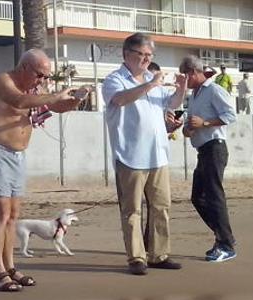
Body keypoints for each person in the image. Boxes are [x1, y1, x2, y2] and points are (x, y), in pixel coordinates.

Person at [0, 49, 85, 291]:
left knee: (13, 215)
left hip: (16, 155)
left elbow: (57, 106)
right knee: (1, 214)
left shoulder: (35, 90)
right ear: (24, 67)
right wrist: (54, 96)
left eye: (46, 77)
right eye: (40, 75)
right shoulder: (2, 81)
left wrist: (75, 99)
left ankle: (10, 267)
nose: (42, 81)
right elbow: (19, 102)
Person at [102, 33, 187, 275]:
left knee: (161, 206)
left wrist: (182, 88)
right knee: (132, 210)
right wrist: (150, 84)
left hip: (158, 154)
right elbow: (119, 100)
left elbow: (171, 104)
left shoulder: (152, 78)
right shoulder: (114, 80)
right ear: (126, 54)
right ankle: (136, 258)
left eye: (149, 56)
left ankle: (159, 255)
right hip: (129, 155)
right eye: (141, 55)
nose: (146, 60)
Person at [179, 55, 238, 262]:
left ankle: (226, 243)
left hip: (215, 148)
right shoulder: (195, 95)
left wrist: (204, 123)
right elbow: (193, 123)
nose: (184, 82)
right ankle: (225, 236)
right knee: (198, 197)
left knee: (214, 195)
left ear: (193, 72)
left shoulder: (213, 90)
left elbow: (231, 115)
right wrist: (188, 129)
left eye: (185, 77)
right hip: (203, 150)